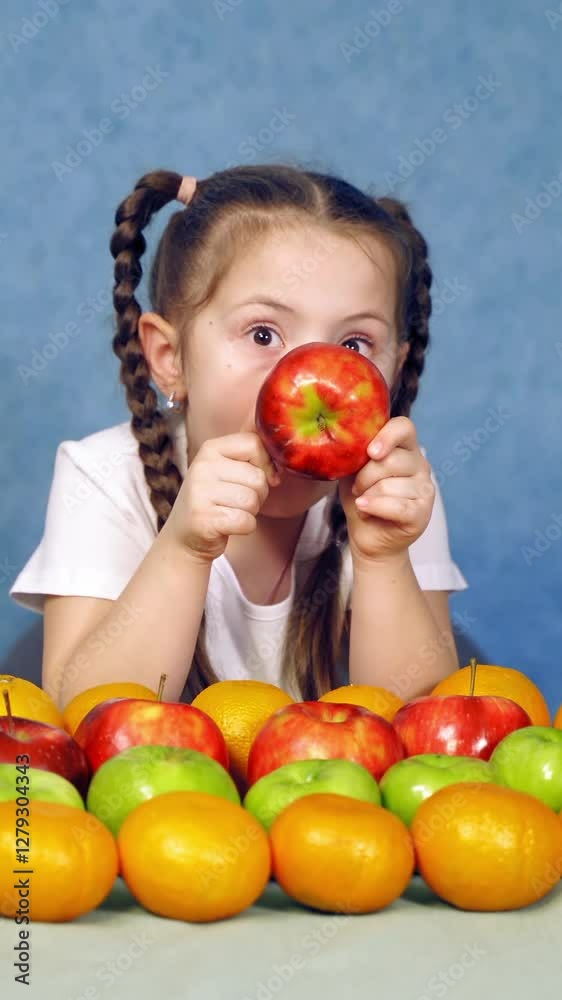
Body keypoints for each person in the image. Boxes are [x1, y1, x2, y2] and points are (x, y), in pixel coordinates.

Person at [10, 163, 468, 709]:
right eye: (264, 334)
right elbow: (84, 714)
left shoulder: (396, 490)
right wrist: (183, 550)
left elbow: (425, 727)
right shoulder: (104, 476)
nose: (309, 373)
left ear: (395, 367)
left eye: (353, 345)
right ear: (169, 358)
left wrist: (384, 558)